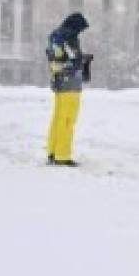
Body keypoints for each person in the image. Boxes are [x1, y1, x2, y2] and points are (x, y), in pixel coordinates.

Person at [45, 12, 90, 167]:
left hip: (58, 80)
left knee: (57, 118)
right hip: (70, 83)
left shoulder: (54, 35)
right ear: (75, 26)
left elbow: (56, 56)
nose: (80, 33)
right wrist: (82, 60)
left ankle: (52, 151)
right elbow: (73, 59)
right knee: (68, 120)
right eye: (80, 29)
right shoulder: (69, 37)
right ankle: (63, 155)